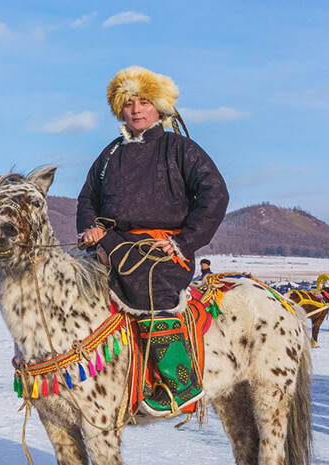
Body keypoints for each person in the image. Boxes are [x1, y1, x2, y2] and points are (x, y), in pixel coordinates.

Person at [76, 66, 229, 416]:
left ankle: (181, 381)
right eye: (128, 103)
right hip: (113, 243)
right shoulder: (109, 155)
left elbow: (215, 194)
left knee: (144, 282)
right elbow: (88, 199)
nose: (135, 110)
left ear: (158, 107)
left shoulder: (180, 148)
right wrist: (90, 229)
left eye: (143, 102)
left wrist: (185, 241)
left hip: (162, 248)